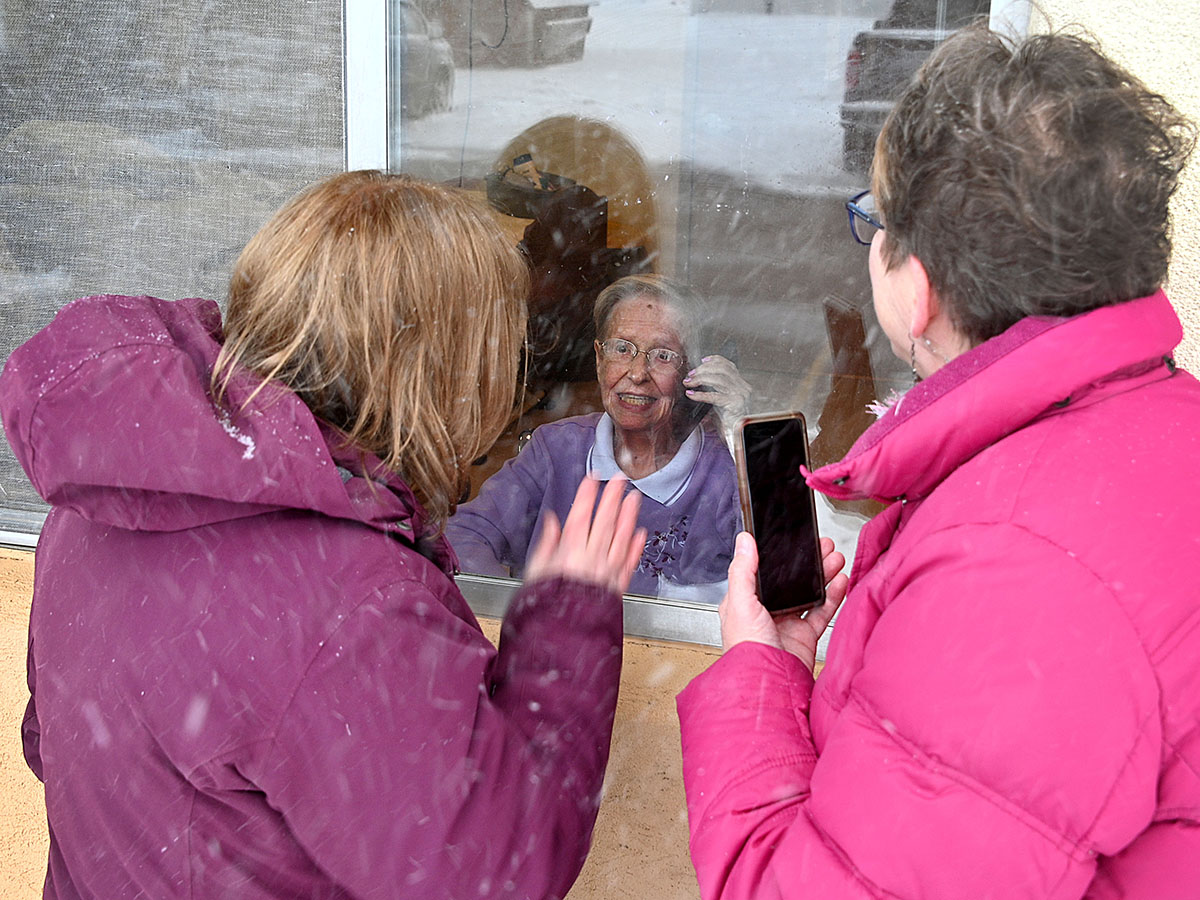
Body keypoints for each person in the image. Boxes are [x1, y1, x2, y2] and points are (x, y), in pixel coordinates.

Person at [0, 170, 649, 900]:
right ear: (440, 374)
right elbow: (495, 876)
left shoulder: (105, 502)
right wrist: (567, 628)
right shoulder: (351, 606)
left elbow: (52, 746)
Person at [677, 26, 1200, 899]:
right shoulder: (1156, 428)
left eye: (872, 221)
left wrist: (756, 680)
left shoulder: (1016, 573)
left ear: (915, 290)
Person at [448, 274, 749, 602]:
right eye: (621, 349)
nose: (637, 373)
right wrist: (521, 613)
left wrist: (746, 435)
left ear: (691, 372)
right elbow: (465, 535)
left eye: (662, 355)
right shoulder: (556, 449)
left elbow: (773, 575)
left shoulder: (726, 470)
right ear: (598, 358)